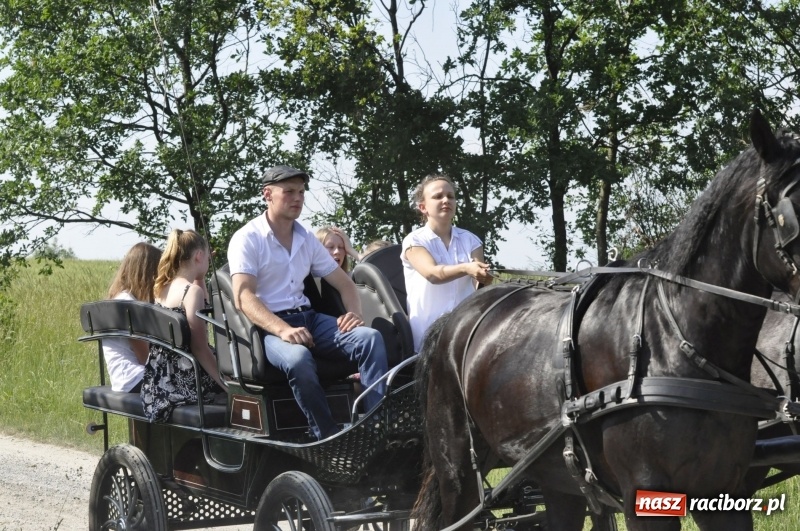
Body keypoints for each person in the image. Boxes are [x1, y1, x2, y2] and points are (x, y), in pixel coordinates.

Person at [228, 165, 389, 440]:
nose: (298, 198)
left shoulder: (306, 239)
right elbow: (243, 296)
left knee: (370, 338)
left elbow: (346, 284)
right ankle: (326, 436)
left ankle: (374, 429)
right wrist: (282, 330)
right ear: (267, 194)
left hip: (309, 320)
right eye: (289, 191)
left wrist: (355, 313)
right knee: (299, 358)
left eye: (301, 192)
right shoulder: (247, 238)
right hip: (268, 329)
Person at [141, 229, 225, 422]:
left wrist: (200, 276)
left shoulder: (161, 286)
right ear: (199, 255)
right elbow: (199, 348)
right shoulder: (191, 291)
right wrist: (224, 383)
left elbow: (202, 305)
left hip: (159, 377)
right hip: (185, 377)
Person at [402, 173, 493, 352]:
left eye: (450, 196)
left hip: (465, 331)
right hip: (428, 336)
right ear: (423, 207)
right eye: (438, 196)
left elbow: (479, 286)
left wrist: (485, 277)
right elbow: (433, 274)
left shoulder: (471, 240)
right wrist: (467, 268)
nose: (446, 200)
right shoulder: (414, 241)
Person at [103, 242, 161, 393]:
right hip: (134, 377)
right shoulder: (129, 305)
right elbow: (145, 358)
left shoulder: (121, 298)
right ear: (148, 273)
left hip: (124, 377)